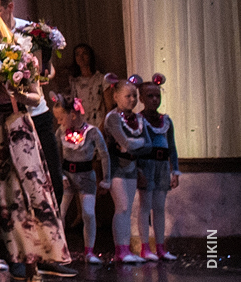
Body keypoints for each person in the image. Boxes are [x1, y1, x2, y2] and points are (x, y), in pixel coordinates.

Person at [0, 7, 71, 282]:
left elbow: (36, 96)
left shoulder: (20, 55)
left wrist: (18, 93)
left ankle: (33, 272)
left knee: (21, 199)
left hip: (15, 129)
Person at [49, 94, 109, 264]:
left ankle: (89, 251)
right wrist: (60, 175)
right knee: (60, 213)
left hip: (86, 178)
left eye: (61, 118)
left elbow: (104, 155)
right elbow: (55, 157)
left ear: (73, 115)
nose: (59, 122)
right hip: (67, 178)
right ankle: (59, 250)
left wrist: (106, 179)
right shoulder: (61, 132)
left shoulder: (92, 132)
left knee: (88, 213)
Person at [102, 76, 149, 264]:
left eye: (134, 96)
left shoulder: (138, 118)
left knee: (127, 209)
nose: (132, 99)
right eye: (128, 96)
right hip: (116, 168)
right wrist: (135, 143)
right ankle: (120, 250)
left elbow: (148, 145)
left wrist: (134, 144)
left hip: (131, 167)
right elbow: (125, 143)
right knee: (121, 207)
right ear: (116, 97)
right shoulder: (113, 118)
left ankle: (126, 248)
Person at [137, 75, 179, 261]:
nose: (154, 99)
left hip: (162, 166)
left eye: (157, 96)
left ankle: (161, 247)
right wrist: (138, 170)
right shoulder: (138, 120)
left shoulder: (166, 121)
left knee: (159, 207)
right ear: (141, 98)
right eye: (150, 96)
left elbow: (172, 147)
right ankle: (145, 247)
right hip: (146, 165)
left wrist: (175, 170)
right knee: (145, 206)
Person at [67, 44, 106, 127]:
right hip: (82, 124)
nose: (81, 57)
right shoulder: (74, 82)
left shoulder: (101, 79)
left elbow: (109, 106)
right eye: (77, 54)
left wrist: (102, 128)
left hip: (99, 123)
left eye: (84, 53)